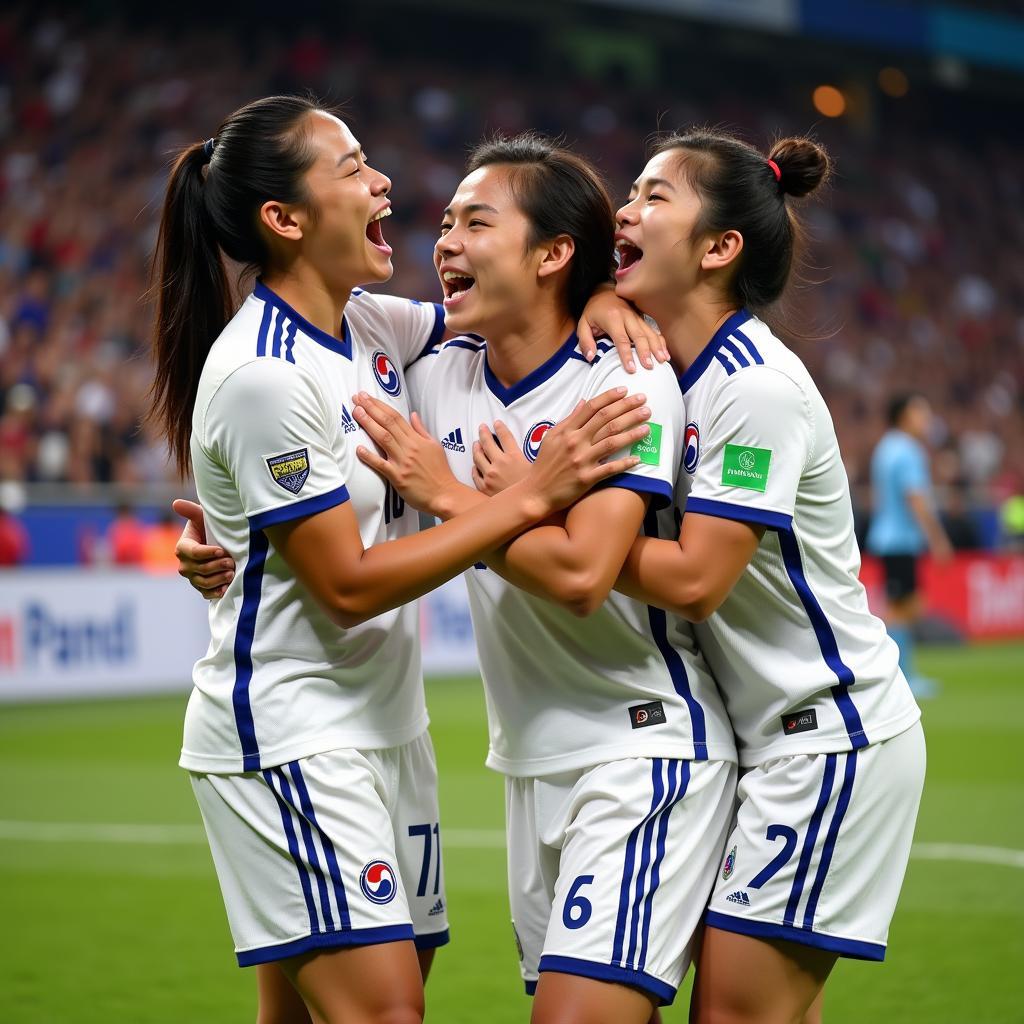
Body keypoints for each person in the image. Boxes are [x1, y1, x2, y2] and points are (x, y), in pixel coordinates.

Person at [181, 133, 737, 1024]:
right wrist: (237, 542)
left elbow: (587, 573)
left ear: (551, 254)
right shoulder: (425, 367)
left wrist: (597, 292)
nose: (438, 235)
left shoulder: (618, 380)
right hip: (462, 748)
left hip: (638, 744)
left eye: (474, 222)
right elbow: (318, 525)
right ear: (283, 218)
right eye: (444, 221)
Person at [567, 128, 926, 1024]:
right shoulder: (666, 369)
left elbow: (694, 581)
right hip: (771, 742)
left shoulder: (754, 386)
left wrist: (521, 525)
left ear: (720, 248)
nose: (626, 208)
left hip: (830, 734)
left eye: (655, 197)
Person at [866, 393, 953, 697]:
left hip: (887, 536)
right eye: (920, 412)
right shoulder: (907, 450)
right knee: (904, 608)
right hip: (900, 540)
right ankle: (902, 676)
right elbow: (915, 498)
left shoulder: (885, 447)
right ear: (903, 416)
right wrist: (938, 539)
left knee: (904, 605)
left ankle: (904, 674)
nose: (926, 418)